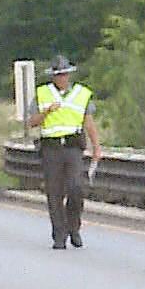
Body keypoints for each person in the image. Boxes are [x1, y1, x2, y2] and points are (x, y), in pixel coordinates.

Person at [27, 54, 100, 249]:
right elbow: (31, 122)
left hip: (73, 147)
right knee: (54, 192)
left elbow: (89, 122)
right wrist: (47, 112)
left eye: (64, 74)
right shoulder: (42, 94)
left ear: (69, 75)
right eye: (58, 75)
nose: (62, 78)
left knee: (76, 188)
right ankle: (59, 234)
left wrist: (96, 147)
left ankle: (73, 227)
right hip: (51, 148)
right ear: (53, 76)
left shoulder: (81, 94)